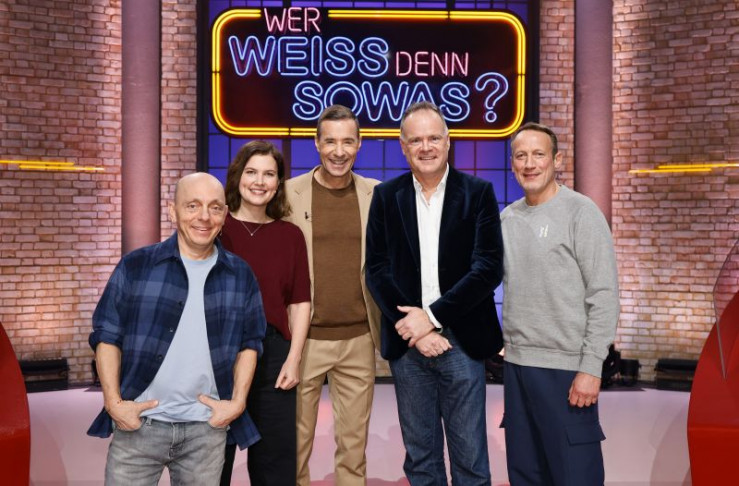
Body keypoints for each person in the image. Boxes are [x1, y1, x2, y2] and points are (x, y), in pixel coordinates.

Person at [87, 172, 267, 484]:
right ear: (173, 211)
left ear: (224, 215)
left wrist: (237, 402)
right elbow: (107, 335)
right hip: (138, 426)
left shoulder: (240, 275)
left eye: (214, 207)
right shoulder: (136, 266)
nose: (204, 217)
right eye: (192, 206)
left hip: (206, 432)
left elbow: (250, 343)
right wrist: (114, 403)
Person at [365, 101, 504, 485]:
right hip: (408, 344)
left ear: (447, 141)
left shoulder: (478, 193)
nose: (425, 147)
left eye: (433, 138)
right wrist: (415, 328)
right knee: (421, 457)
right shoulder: (386, 196)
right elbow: (376, 269)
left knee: (470, 458)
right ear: (403, 146)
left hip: (462, 341)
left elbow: (488, 269)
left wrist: (431, 317)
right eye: (416, 140)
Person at [501, 121, 620, 485]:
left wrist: (591, 367)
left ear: (557, 160)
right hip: (517, 369)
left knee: (575, 475)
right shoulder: (507, 219)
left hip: (566, 371)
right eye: (521, 156)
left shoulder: (581, 212)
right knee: (526, 474)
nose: (529, 164)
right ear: (512, 163)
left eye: (539, 154)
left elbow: (604, 294)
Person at [283, 104, 382, 486]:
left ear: (359, 144)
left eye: (347, 142)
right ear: (317, 144)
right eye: (330, 142)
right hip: (303, 340)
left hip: (359, 339)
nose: (338, 151)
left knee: (354, 451)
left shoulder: (376, 194)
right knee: (294, 446)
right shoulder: (288, 193)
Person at [219, 141, 311, 485]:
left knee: (276, 463)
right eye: (252, 172)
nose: (259, 182)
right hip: (219, 353)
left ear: (278, 182)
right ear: (237, 176)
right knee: (214, 459)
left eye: (269, 174)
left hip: (273, 354)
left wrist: (294, 359)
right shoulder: (216, 228)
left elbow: (299, 302)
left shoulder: (291, 236)